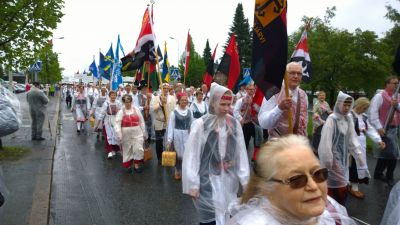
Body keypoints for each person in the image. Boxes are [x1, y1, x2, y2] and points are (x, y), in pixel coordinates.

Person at [227, 135, 356, 225]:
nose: (314, 186)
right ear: (267, 189)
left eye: (318, 174)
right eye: (297, 180)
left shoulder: (333, 213)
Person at [182, 82, 250, 225]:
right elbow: (192, 156)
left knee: (228, 214)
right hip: (208, 180)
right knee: (211, 218)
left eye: (228, 104)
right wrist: (193, 184)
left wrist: (245, 181)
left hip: (228, 181)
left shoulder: (234, 124)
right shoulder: (200, 124)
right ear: (213, 102)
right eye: (222, 104)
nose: (226, 108)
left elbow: (241, 153)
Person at [318, 91, 364, 205]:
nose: (347, 108)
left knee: (342, 184)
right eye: (344, 104)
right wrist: (327, 162)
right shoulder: (332, 120)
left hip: (343, 158)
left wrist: (358, 154)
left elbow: (352, 138)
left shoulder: (348, 118)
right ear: (339, 104)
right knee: (334, 189)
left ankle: (339, 212)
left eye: (349, 105)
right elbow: (325, 143)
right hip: (332, 159)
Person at [258, 62, 308, 138]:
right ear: (285, 74)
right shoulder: (273, 92)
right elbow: (264, 123)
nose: (296, 76)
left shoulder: (303, 94)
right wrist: (279, 108)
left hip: (297, 144)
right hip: (278, 143)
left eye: (299, 73)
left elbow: (305, 121)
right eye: (292, 73)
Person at [348, 97, 385, 199]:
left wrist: (378, 140)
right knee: (353, 164)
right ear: (359, 105)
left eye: (366, 108)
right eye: (364, 108)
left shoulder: (363, 117)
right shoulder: (349, 115)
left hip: (362, 143)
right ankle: (353, 187)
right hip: (351, 144)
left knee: (360, 164)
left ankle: (352, 185)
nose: (364, 110)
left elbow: (370, 130)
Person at [369, 76, 400, 187]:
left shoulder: (397, 97)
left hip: (394, 128)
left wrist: (396, 105)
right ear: (387, 84)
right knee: (393, 154)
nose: (396, 85)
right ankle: (389, 176)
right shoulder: (379, 96)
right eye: (394, 83)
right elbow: (373, 113)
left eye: (397, 83)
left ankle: (378, 173)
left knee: (385, 152)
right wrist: (378, 127)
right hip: (384, 129)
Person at [114, 94, 147, 173]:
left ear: (131, 102)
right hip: (126, 134)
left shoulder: (136, 109)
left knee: (138, 148)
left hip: (137, 133)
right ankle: (128, 166)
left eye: (129, 102)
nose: (127, 104)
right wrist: (119, 134)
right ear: (123, 102)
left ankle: (136, 165)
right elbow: (117, 123)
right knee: (127, 149)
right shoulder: (121, 112)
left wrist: (144, 132)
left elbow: (141, 121)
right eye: (126, 102)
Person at [167, 92, 193, 180]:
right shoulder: (174, 112)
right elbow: (171, 126)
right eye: (183, 100)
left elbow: (192, 124)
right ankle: (177, 170)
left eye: (186, 100)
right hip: (177, 134)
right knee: (178, 154)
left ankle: (185, 170)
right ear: (179, 101)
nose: (184, 101)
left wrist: (193, 135)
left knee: (186, 153)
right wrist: (170, 139)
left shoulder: (189, 111)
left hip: (187, 134)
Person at [233, 83, 263, 158]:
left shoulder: (256, 100)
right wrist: (240, 119)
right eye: (250, 89)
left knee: (258, 138)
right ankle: (243, 158)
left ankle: (255, 157)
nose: (252, 91)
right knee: (245, 141)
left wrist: (255, 107)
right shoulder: (241, 100)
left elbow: (260, 110)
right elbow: (235, 111)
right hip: (245, 123)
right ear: (246, 90)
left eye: (253, 89)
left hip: (255, 123)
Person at [150, 83, 176, 164]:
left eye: (167, 88)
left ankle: (168, 157)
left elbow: (174, 110)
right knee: (159, 141)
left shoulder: (172, 98)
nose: (165, 89)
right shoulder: (156, 98)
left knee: (168, 141)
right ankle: (159, 158)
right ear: (161, 88)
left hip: (168, 123)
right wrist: (161, 103)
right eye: (163, 88)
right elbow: (152, 109)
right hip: (159, 122)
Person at [99, 91, 122, 159]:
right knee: (109, 136)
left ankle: (116, 149)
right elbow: (102, 113)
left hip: (116, 121)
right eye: (112, 95)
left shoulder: (118, 103)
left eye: (114, 95)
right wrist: (99, 122)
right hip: (108, 121)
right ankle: (109, 151)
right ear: (109, 96)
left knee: (116, 135)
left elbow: (121, 111)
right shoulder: (106, 103)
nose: (113, 96)